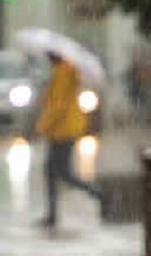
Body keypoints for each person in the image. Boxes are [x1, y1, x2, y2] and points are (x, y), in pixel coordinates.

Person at [34, 50, 104, 229]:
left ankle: (99, 195)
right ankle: (52, 214)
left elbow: (58, 106)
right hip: (62, 129)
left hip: (63, 130)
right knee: (53, 172)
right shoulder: (63, 72)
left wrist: (43, 126)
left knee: (63, 173)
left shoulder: (63, 73)